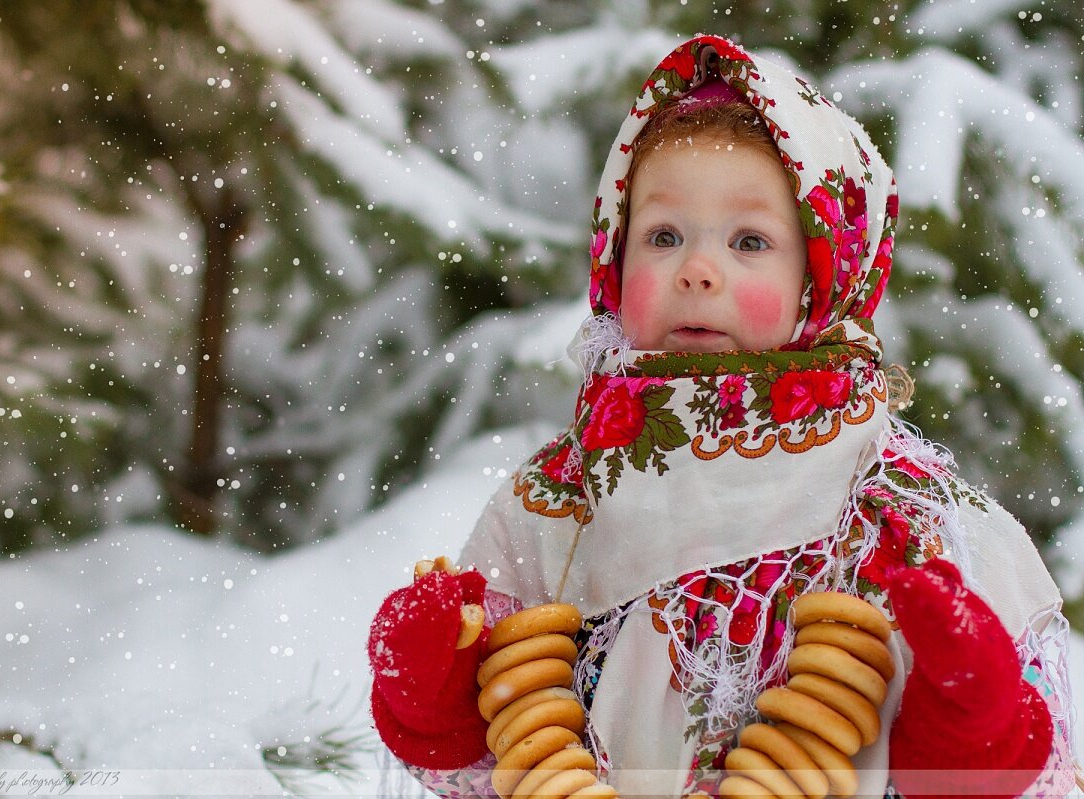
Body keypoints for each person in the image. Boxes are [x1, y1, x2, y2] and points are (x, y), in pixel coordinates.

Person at [366, 34, 1077, 798]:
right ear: (614, 257)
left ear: (824, 275)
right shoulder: (560, 502)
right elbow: (489, 759)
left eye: (749, 241)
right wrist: (433, 695)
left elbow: (1021, 775)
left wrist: (970, 724)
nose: (698, 270)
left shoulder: (898, 509)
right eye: (664, 235)